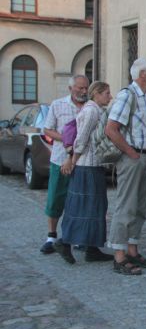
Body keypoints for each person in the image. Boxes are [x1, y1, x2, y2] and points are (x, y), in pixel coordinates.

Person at [105, 58, 146, 275]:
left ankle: (132, 250)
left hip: (144, 157)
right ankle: (119, 256)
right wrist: (130, 152)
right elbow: (111, 128)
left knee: (140, 207)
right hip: (133, 157)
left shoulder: (144, 96)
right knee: (126, 207)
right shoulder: (128, 95)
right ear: (142, 74)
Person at [55, 82, 114, 264]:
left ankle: (92, 247)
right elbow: (81, 138)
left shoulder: (95, 110)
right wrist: (73, 159)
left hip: (92, 165)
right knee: (84, 206)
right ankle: (65, 242)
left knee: (96, 207)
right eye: (106, 93)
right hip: (86, 166)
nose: (109, 97)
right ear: (96, 94)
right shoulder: (91, 111)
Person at [40, 75, 89, 254]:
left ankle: (76, 237)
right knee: (56, 197)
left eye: (86, 88)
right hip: (61, 158)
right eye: (80, 88)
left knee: (79, 200)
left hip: (83, 161)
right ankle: (51, 236)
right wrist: (67, 139)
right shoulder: (58, 105)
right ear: (71, 89)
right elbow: (47, 129)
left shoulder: (90, 106)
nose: (83, 92)